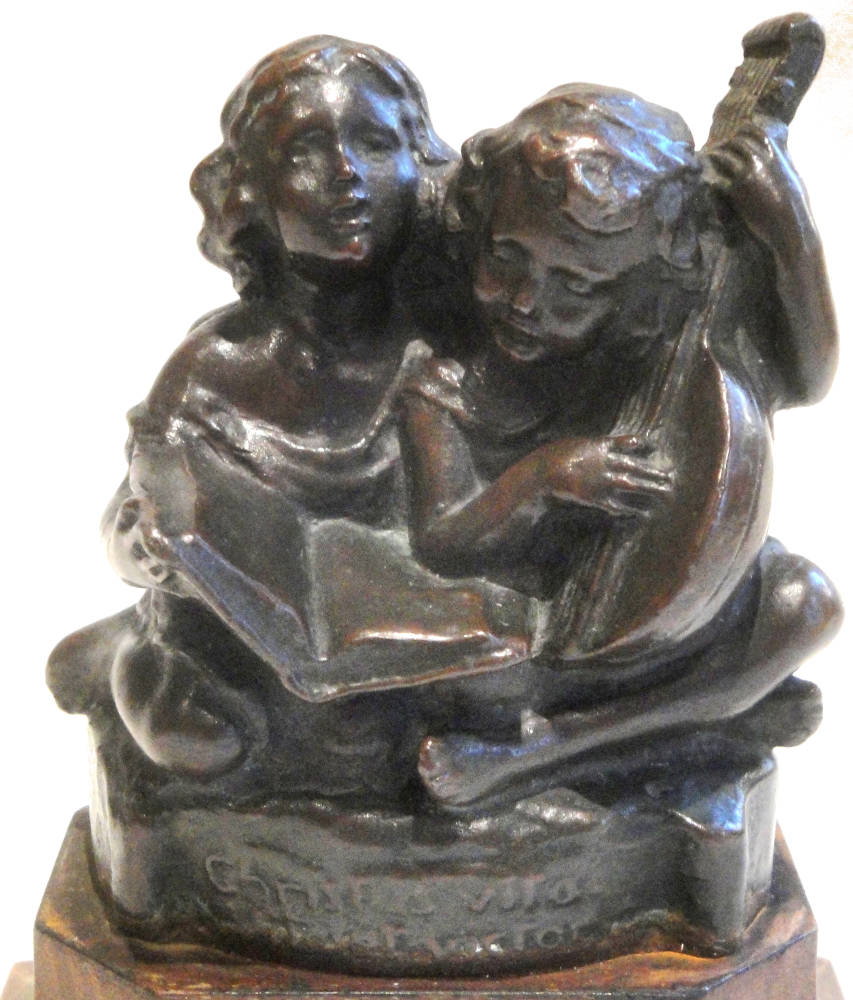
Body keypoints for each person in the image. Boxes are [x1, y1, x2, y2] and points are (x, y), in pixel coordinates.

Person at [47, 36, 529, 800]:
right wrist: (144, 545)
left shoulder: (459, 346)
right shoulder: (217, 364)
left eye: (375, 144)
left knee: (478, 706)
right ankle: (121, 654)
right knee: (197, 740)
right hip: (229, 644)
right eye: (304, 152)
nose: (345, 175)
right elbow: (129, 514)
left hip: (402, 645)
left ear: (422, 167)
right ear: (249, 193)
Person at [398, 84, 842, 807]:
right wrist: (544, 477)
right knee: (480, 678)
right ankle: (694, 717)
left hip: (663, 607)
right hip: (548, 641)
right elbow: (440, 537)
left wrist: (789, 232)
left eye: (576, 285)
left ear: (640, 283)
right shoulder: (442, 383)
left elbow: (806, 378)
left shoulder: (658, 357)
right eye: (506, 256)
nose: (526, 301)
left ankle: (550, 752)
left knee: (807, 603)